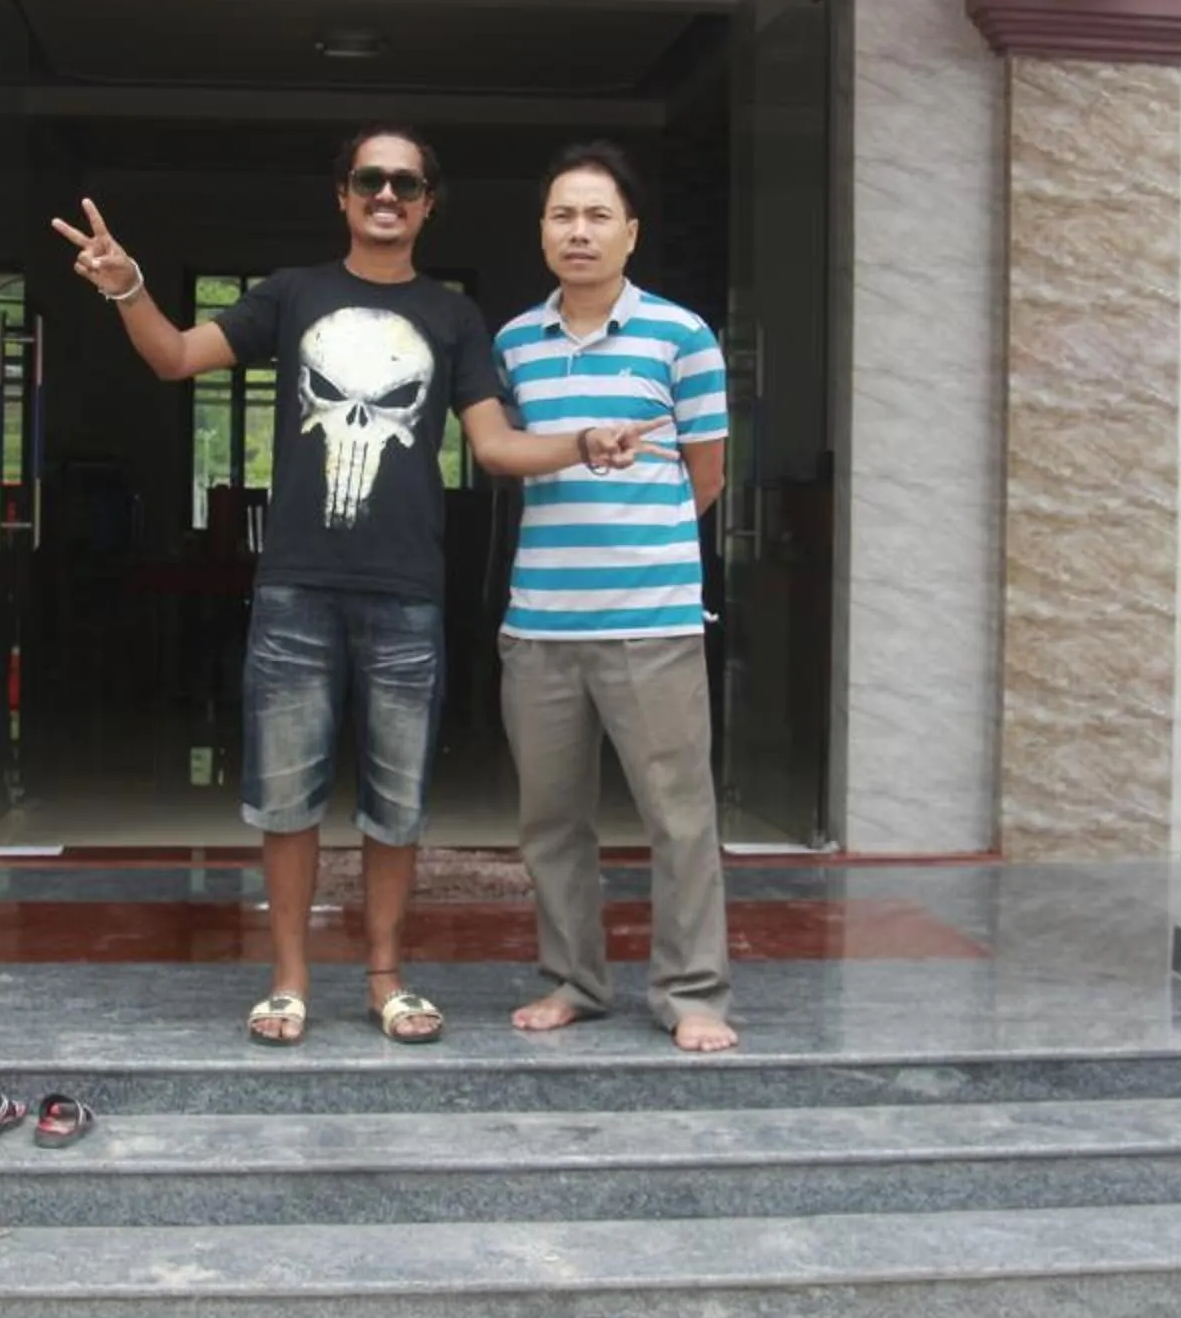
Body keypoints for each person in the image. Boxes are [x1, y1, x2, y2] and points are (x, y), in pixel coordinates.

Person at [54, 129, 661, 1047]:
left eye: (406, 183)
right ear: (343, 194)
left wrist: (583, 442)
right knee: (287, 798)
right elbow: (175, 358)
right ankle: (290, 979)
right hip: (297, 590)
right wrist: (129, 287)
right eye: (370, 179)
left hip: (407, 595)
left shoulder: (453, 318)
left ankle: (386, 976)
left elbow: (494, 446)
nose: (387, 194)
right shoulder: (292, 295)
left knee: (396, 802)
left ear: (427, 203)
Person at [493, 140, 739, 1053]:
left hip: (653, 622)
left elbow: (703, 478)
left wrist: (640, 546)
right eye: (564, 214)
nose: (580, 231)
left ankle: (692, 993)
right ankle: (572, 981)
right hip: (540, 625)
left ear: (631, 234)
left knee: (679, 817)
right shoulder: (515, 342)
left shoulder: (682, 337)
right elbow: (514, 453)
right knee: (552, 821)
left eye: (599, 215)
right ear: (543, 231)